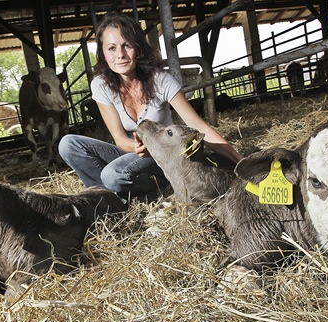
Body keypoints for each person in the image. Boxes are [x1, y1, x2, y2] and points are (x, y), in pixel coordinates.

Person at [59, 12, 243, 202]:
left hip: (164, 154)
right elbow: (119, 138)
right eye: (111, 48)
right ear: (103, 54)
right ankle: (107, 200)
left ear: (138, 48)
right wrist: (136, 146)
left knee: (112, 175)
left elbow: (199, 127)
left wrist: (239, 161)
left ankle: (160, 186)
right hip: (133, 151)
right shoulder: (100, 85)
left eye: (127, 45)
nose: (120, 55)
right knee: (68, 144)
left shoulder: (160, 80)